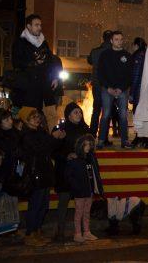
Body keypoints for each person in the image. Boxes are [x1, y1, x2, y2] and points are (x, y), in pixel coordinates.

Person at [17, 107, 65, 247]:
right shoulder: (26, 134)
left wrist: (58, 139)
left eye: (38, 116)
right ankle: (30, 233)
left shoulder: (40, 131)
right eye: (33, 117)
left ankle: (37, 231)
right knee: (36, 204)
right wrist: (52, 138)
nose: (37, 119)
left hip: (44, 171)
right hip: (35, 173)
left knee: (43, 204)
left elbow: (50, 147)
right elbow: (39, 149)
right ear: (26, 119)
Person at [12, 14, 62, 131]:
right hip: (30, 87)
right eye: (36, 25)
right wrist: (34, 63)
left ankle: (52, 140)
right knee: (30, 117)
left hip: (45, 86)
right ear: (28, 26)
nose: (39, 27)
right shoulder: (20, 43)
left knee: (51, 116)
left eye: (40, 25)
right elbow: (16, 63)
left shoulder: (43, 42)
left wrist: (55, 77)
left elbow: (52, 60)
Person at [52, 102, 89, 243]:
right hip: (65, 172)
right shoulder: (62, 130)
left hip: (81, 173)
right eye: (75, 112)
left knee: (82, 204)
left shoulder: (85, 129)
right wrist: (66, 155)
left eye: (79, 112)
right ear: (68, 115)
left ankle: (82, 231)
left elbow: (90, 150)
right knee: (63, 202)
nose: (78, 115)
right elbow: (54, 151)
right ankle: (60, 231)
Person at [96, 31, 133, 149]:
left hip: (122, 90)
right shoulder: (104, 55)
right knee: (105, 114)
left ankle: (125, 141)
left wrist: (121, 88)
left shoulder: (127, 56)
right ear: (111, 41)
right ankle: (101, 140)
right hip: (107, 90)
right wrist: (108, 88)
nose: (119, 41)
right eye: (116, 39)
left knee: (123, 115)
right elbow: (100, 73)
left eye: (121, 39)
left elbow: (129, 75)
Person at [65, 134, 102, 243]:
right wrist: (76, 186)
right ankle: (77, 233)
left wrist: (96, 187)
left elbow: (95, 173)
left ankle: (86, 232)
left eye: (89, 144)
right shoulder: (75, 159)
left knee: (86, 212)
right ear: (80, 145)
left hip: (89, 190)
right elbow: (68, 175)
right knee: (79, 213)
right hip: (80, 191)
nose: (88, 147)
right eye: (85, 145)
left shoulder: (90, 158)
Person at [87, 30, 113, 137]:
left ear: (102, 38)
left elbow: (89, 60)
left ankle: (93, 134)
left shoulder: (95, 51)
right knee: (107, 112)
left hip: (97, 85)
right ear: (111, 39)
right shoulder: (113, 51)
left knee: (96, 110)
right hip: (108, 86)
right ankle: (104, 137)